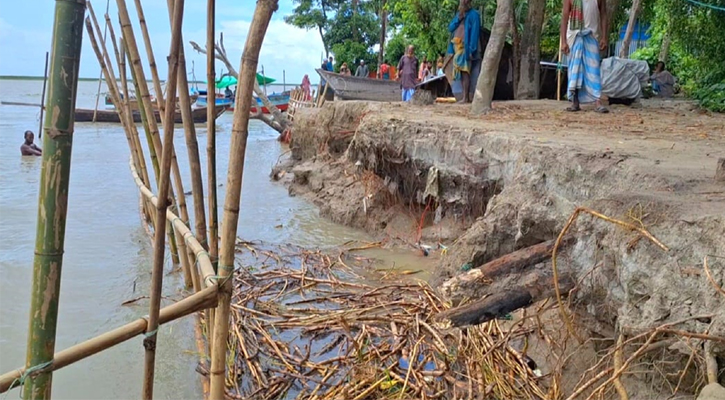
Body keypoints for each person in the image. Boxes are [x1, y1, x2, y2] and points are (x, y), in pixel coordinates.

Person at [560, 0, 609, 113]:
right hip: (574, 36)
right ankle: (575, 101)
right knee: (575, 70)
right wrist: (563, 41)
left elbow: (603, 14)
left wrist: (604, 37)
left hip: (592, 36)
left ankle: (597, 101)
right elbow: (564, 17)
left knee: (593, 69)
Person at [448, 0, 481, 103]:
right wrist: (459, 18)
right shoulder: (459, 15)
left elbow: (475, 33)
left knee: (466, 72)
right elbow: (451, 28)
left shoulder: (474, 15)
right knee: (462, 73)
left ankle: (466, 97)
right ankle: (464, 96)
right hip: (457, 49)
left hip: (467, 49)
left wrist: (471, 49)